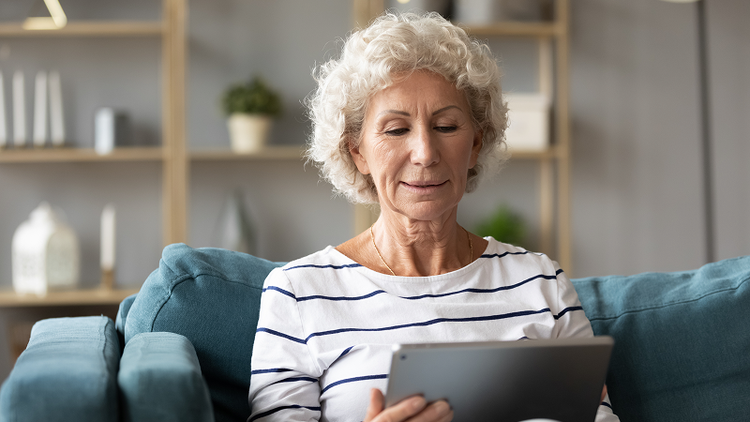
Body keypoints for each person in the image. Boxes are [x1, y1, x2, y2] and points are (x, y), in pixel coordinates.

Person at [248, 12, 618, 422]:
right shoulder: (299, 292)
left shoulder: (541, 282)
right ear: (357, 151)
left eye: (445, 126)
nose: (425, 152)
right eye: (395, 130)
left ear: (475, 145)